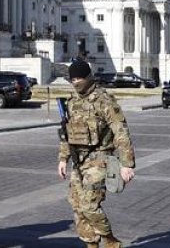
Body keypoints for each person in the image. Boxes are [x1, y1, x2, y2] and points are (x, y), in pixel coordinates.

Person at [57, 58, 135, 248]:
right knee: (77, 206)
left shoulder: (104, 100)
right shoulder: (72, 101)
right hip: (78, 161)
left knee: (89, 205)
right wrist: (62, 159)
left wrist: (127, 164)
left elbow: (120, 131)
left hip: (100, 159)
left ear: (88, 77)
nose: (76, 82)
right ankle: (91, 244)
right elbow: (66, 133)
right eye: (72, 79)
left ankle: (109, 240)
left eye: (79, 78)